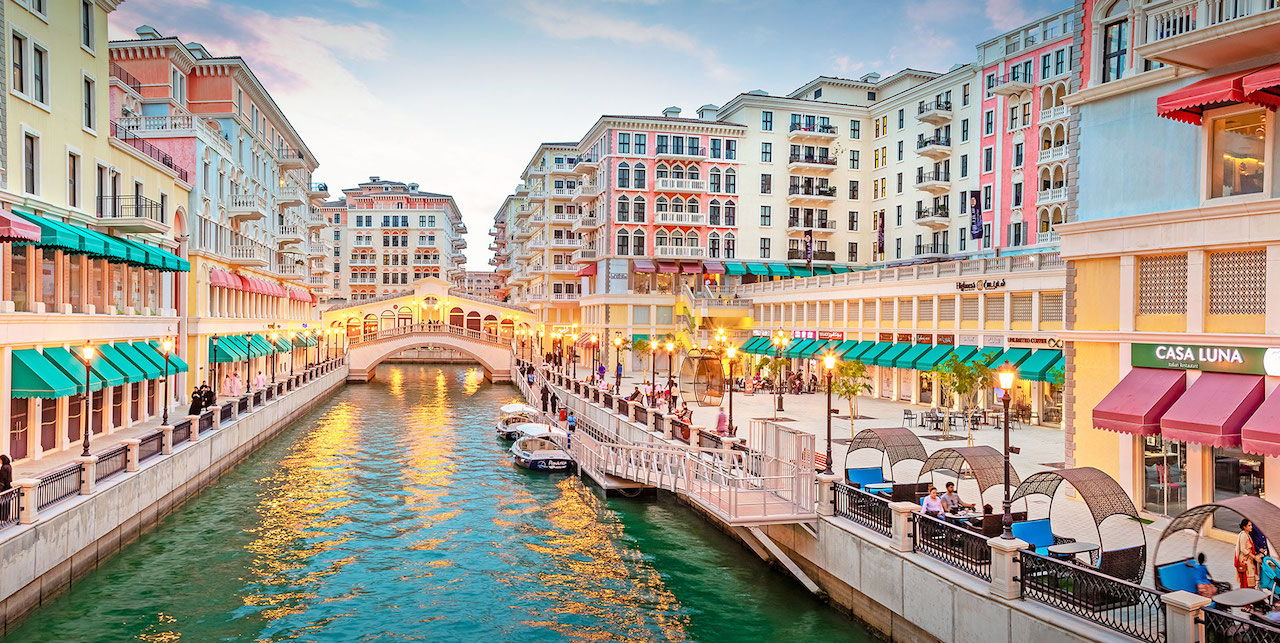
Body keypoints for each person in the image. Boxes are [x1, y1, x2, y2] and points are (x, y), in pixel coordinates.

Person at [1238, 518, 1262, 589]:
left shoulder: (1247, 535)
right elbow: (1243, 549)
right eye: (1249, 525)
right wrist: (1254, 557)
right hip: (1246, 561)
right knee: (1248, 580)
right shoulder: (1243, 535)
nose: (1251, 527)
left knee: (1251, 579)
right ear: (1244, 527)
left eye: (1251, 525)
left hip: (1249, 560)